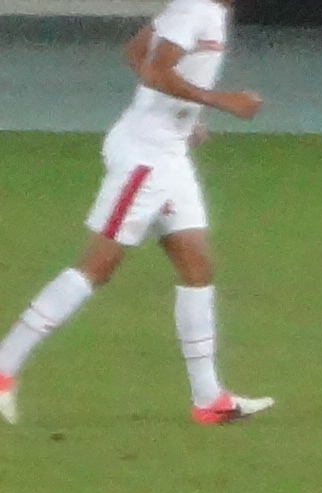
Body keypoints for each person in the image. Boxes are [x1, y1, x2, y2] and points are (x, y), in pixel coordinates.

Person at [0, 0, 271, 426]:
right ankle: (3, 366)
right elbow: (156, 69)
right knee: (97, 266)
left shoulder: (202, 11)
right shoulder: (196, 9)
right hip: (146, 156)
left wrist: (188, 117)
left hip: (169, 153)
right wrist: (221, 102)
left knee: (197, 265)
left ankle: (209, 399)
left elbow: (134, 51)